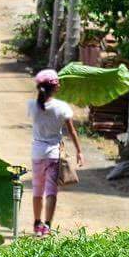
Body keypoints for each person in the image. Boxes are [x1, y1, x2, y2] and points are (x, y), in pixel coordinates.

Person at [29, 68, 84, 236]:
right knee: (51, 191)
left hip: (37, 152)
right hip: (53, 154)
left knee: (37, 190)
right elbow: (72, 132)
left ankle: (37, 224)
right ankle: (47, 226)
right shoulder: (63, 108)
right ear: (55, 87)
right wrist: (79, 151)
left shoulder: (32, 106)